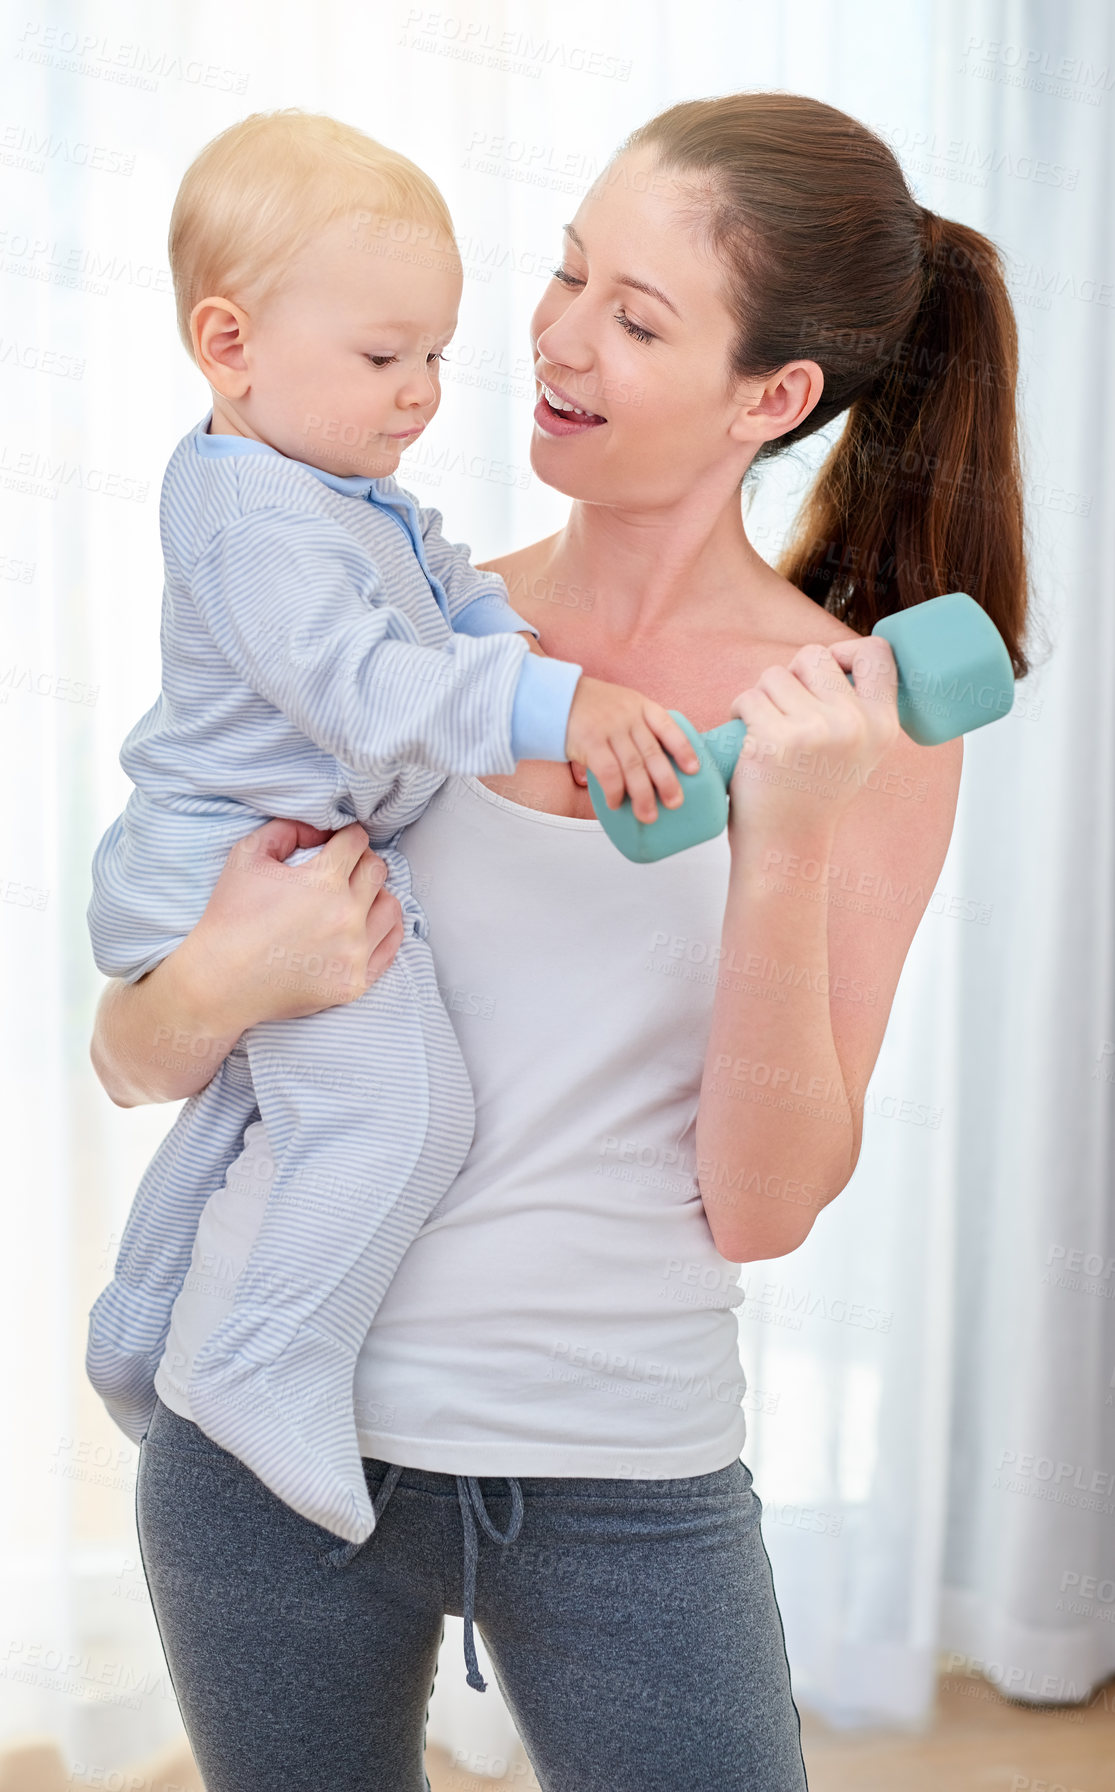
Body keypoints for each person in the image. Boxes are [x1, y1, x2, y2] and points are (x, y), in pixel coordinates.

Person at [89, 93, 1030, 1792]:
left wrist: (785, 846)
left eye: (636, 313)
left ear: (776, 396)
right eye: (569, 271)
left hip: (623, 1478)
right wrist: (228, 977)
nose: (554, 337)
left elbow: (762, 1204)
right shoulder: (395, 624)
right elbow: (132, 1054)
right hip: (263, 1459)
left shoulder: (853, 724)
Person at [83, 109, 702, 1547]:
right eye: (384, 358)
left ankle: (143, 1319)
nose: (423, 392)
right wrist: (553, 704)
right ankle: (260, 1363)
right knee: (402, 1112)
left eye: (435, 354)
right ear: (229, 345)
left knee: (257, 1115)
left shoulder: (336, 486)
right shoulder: (248, 514)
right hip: (235, 876)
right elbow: (365, 682)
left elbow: (445, 584)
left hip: (287, 865)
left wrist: (511, 633)